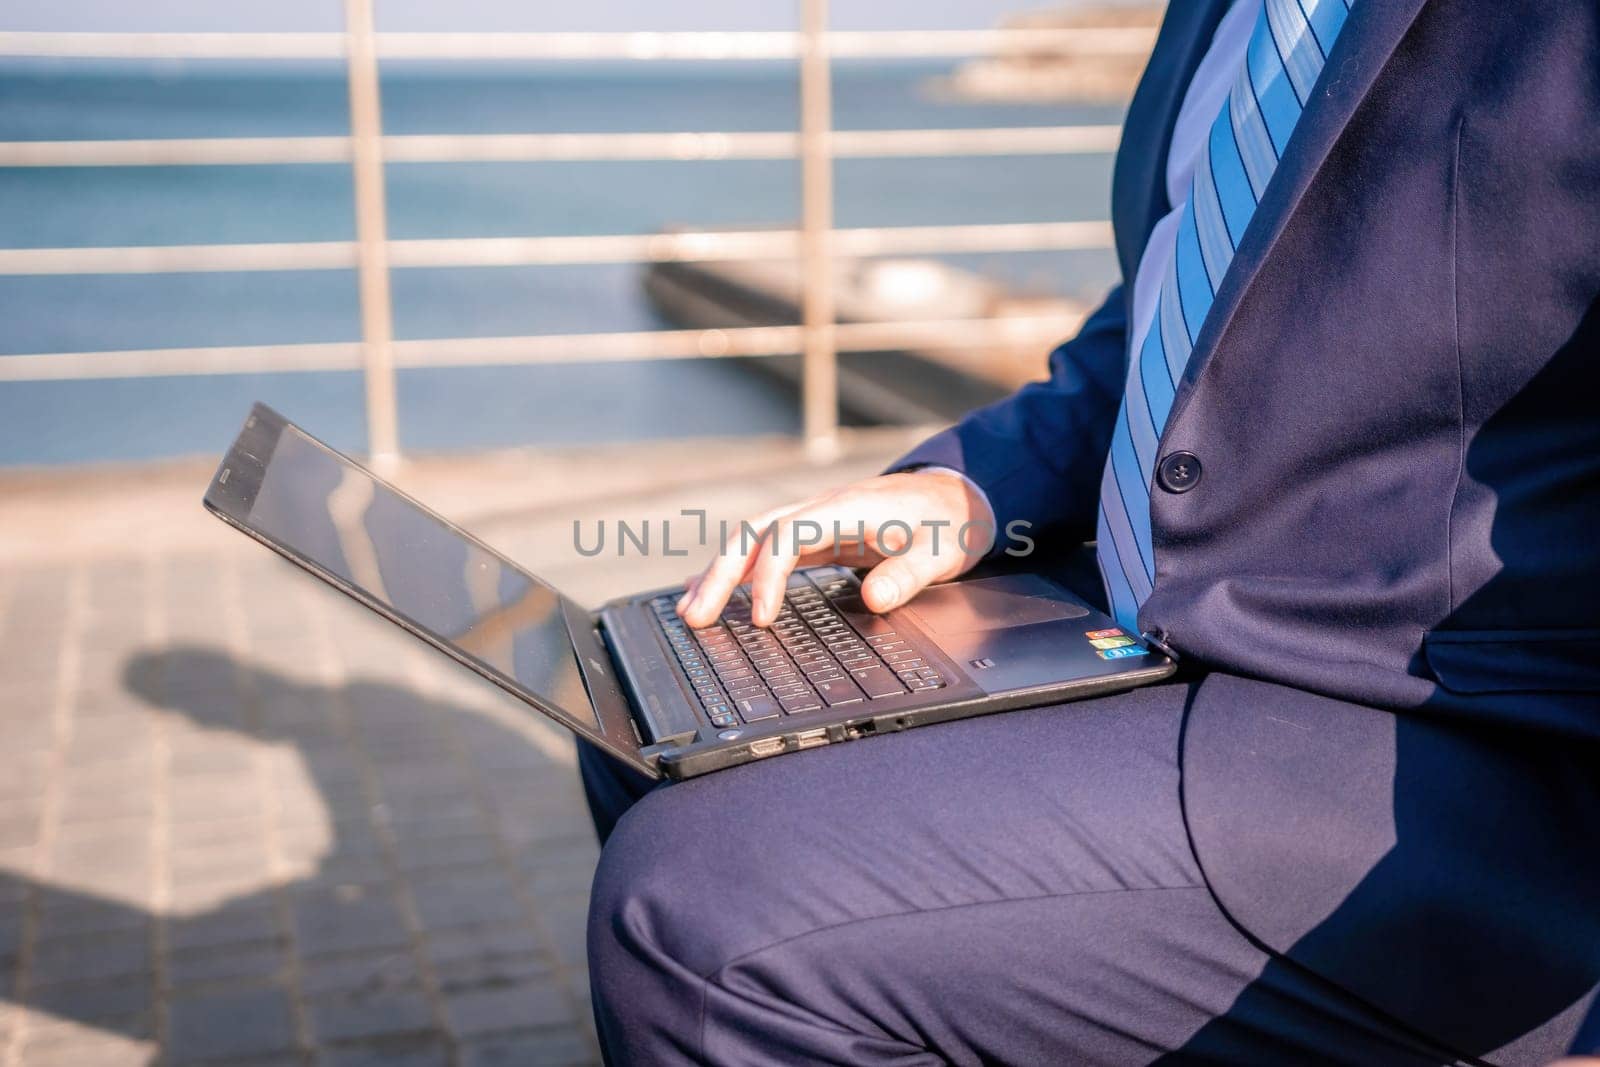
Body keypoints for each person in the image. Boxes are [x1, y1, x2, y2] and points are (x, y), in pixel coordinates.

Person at [579, 0, 1600, 1063]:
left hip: (1442, 746)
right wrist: (968, 487)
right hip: (1169, 609)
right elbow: (1194, 297)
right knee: (668, 689)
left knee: (703, 910)